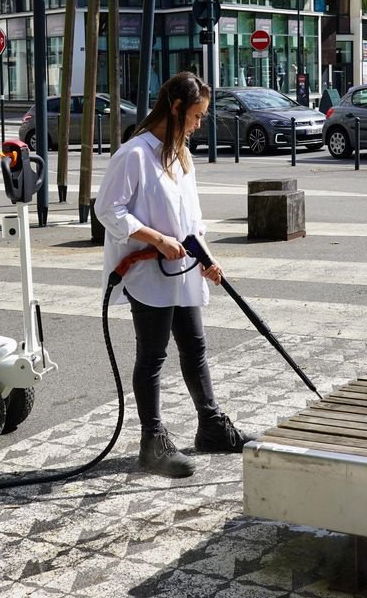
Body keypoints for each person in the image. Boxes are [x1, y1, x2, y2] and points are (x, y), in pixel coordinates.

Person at [95, 71, 253, 479]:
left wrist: (207, 258)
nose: (200, 124)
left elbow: (192, 221)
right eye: (197, 116)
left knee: (195, 346)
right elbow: (108, 210)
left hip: (183, 270)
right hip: (147, 270)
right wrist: (158, 239)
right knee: (152, 355)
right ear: (176, 108)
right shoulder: (135, 154)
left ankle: (211, 427)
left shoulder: (181, 156)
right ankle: (153, 441)